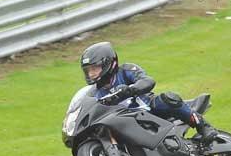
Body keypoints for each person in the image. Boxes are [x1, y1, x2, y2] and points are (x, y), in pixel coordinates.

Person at [80, 41, 218, 144]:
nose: (91, 74)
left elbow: (147, 81)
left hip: (148, 109)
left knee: (168, 99)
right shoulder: (95, 92)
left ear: (109, 63)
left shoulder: (126, 70)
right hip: (124, 121)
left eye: (95, 69)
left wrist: (129, 90)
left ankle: (203, 126)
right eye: (88, 71)